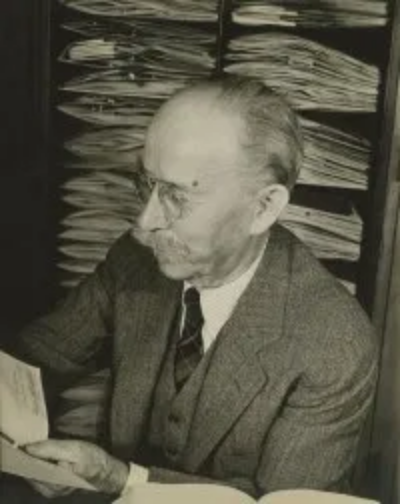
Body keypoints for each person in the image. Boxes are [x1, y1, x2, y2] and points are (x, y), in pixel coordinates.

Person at [9, 76, 378, 502]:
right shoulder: (137, 261)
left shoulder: (335, 343)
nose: (145, 222)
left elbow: (279, 499)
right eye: (147, 184)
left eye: (177, 196)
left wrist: (120, 478)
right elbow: (37, 356)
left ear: (264, 208)